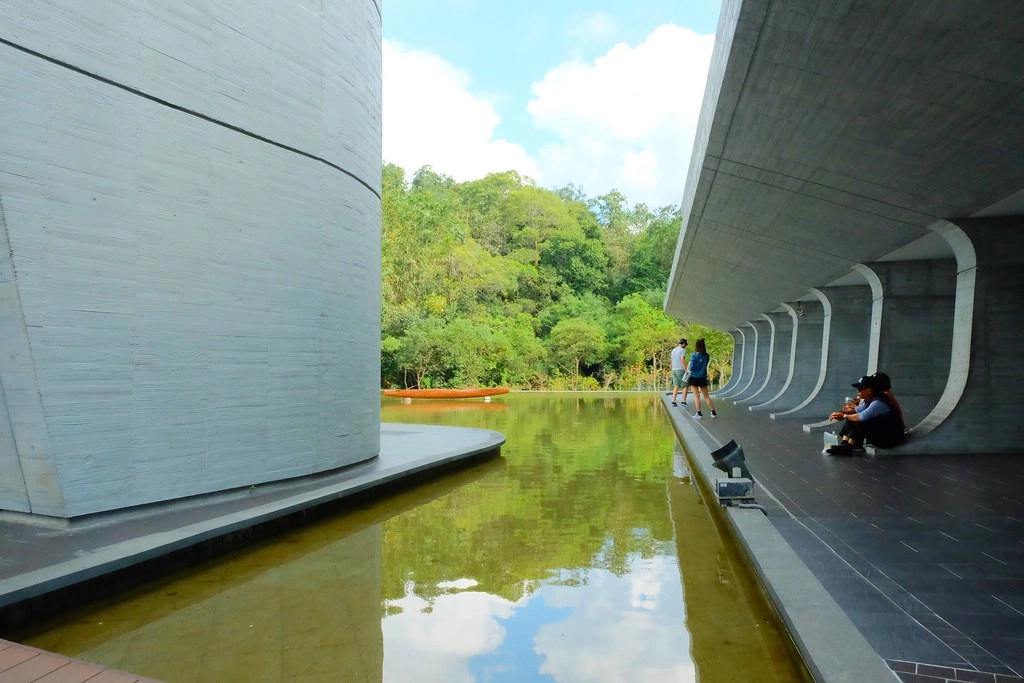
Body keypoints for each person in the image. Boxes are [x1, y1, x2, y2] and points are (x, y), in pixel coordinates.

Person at [826, 375, 904, 454]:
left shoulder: (879, 402)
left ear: (869, 390)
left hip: (890, 439)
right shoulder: (870, 399)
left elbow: (862, 416)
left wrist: (843, 416)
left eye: (860, 389)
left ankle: (849, 447)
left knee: (862, 419)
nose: (857, 391)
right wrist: (839, 413)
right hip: (883, 434)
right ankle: (844, 444)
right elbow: (857, 410)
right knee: (853, 417)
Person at [687, 338, 717, 419]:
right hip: (702, 377)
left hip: (694, 378)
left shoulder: (693, 355)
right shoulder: (707, 356)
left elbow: (691, 368)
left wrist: (690, 365)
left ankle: (699, 413)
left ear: (696, 346)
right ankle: (713, 412)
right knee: (706, 396)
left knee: (696, 396)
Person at [670, 338, 689, 406]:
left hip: (674, 370)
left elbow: (672, 360)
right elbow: (682, 360)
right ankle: (683, 401)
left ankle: (673, 401)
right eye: (685, 344)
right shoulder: (682, 350)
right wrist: (686, 370)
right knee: (685, 385)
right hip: (680, 370)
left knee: (676, 386)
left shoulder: (673, 350)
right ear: (683, 344)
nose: (685, 346)